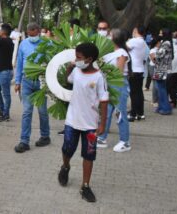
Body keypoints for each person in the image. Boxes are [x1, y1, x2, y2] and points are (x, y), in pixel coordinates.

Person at [58, 42, 108, 203]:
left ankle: (85, 186)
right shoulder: (77, 71)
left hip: (90, 126)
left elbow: (104, 100)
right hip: (72, 121)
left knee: (89, 155)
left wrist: (102, 124)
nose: (76, 60)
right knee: (67, 149)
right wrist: (69, 68)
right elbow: (69, 80)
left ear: (89, 59)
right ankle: (65, 167)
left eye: (79, 58)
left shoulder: (99, 77)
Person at [14, 23, 50, 153]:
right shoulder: (23, 44)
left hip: (41, 81)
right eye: (29, 33)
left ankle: (45, 136)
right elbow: (19, 63)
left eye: (33, 33)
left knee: (42, 111)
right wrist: (17, 82)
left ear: (39, 31)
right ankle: (24, 141)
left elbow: (53, 61)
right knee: (26, 112)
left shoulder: (47, 43)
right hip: (27, 81)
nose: (31, 36)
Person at [97, 29, 131, 152]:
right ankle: (101, 138)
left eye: (109, 35)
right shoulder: (109, 52)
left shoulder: (121, 52)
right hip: (108, 84)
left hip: (118, 84)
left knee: (120, 113)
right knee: (106, 112)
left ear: (115, 38)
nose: (106, 36)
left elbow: (119, 72)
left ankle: (125, 141)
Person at [127, 26, 148, 121]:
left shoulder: (133, 41)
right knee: (139, 93)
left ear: (135, 31)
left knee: (134, 93)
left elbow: (123, 47)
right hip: (140, 70)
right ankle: (140, 113)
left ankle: (133, 114)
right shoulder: (143, 42)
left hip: (133, 70)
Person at [154, 29, 174, 115]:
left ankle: (165, 109)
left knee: (161, 89)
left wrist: (156, 50)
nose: (160, 34)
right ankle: (162, 107)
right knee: (161, 89)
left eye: (161, 33)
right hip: (163, 69)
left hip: (162, 70)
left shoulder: (166, 43)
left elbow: (159, 54)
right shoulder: (168, 42)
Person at [147, 39, 160, 105]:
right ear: (157, 43)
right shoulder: (153, 50)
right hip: (153, 68)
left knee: (157, 83)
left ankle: (156, 100)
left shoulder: (159, 49)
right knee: (155, 83)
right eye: (159, 42)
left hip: (158, 68)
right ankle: (154, 101)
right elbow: (154, 60)